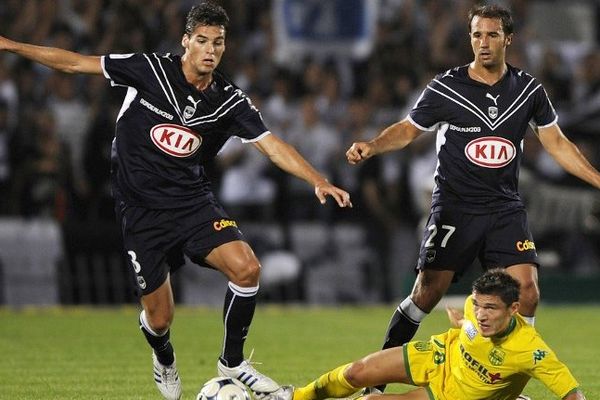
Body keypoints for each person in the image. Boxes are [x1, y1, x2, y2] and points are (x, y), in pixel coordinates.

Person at [0, 3, 352, 400]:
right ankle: (163, 357)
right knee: (160, 318)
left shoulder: (229, 100)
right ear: (186, 41)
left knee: (248, 268)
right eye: (202, 40)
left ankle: (232, 363)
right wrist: (10, 45)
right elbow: (75, 64)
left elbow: (272, 147)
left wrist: (317, 180)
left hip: (191, 202)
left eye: (218, 43)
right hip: (141, 211)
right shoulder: (150, 70)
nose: (210, 50)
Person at [345, 4, 600, 393]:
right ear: (470, 38)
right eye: (477, 35)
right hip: (455, 207)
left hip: (503, 207)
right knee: (426, 294)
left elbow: (557, 144)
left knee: (527, 292)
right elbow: (408, 129)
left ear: (507, 39)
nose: (483, 43)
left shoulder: (528, 90)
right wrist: (373, 145)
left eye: (492, 35)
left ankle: (506, 387)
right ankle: (376, 384)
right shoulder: (447, 87)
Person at [269, 269, 587, 400]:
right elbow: (470, 325)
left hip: (448, 394)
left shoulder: (531, 351)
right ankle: (296, 396)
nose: (481, 314)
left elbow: (572, 394)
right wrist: (462, 322)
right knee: (357, 372)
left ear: (515, 309)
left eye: (491, 308)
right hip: (437, 356)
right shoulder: (474, 309)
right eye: (478, 305)